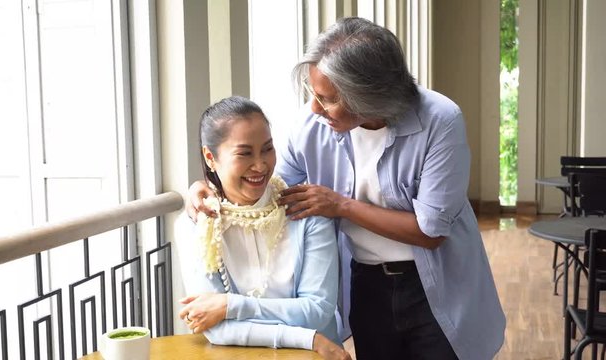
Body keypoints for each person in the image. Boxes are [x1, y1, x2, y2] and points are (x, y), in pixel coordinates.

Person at [190, 17, 507, 360]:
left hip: (440, 282)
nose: (315, 107)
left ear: (367, 95)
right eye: (313, 94)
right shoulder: (309, 126)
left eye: (326, 98)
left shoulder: (440, 120)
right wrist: (210, 184)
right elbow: (268, 190)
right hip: (366, 282)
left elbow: (431, 231)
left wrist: (341, 206)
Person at [177, 96, 351, 360]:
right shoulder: (196, 227)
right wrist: (309, 338)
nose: (260, 165)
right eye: (245, 153)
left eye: (267, 149)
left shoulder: (306, 213)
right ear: (210, 157)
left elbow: (317, 311)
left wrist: (229, 305)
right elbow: (216, 329)